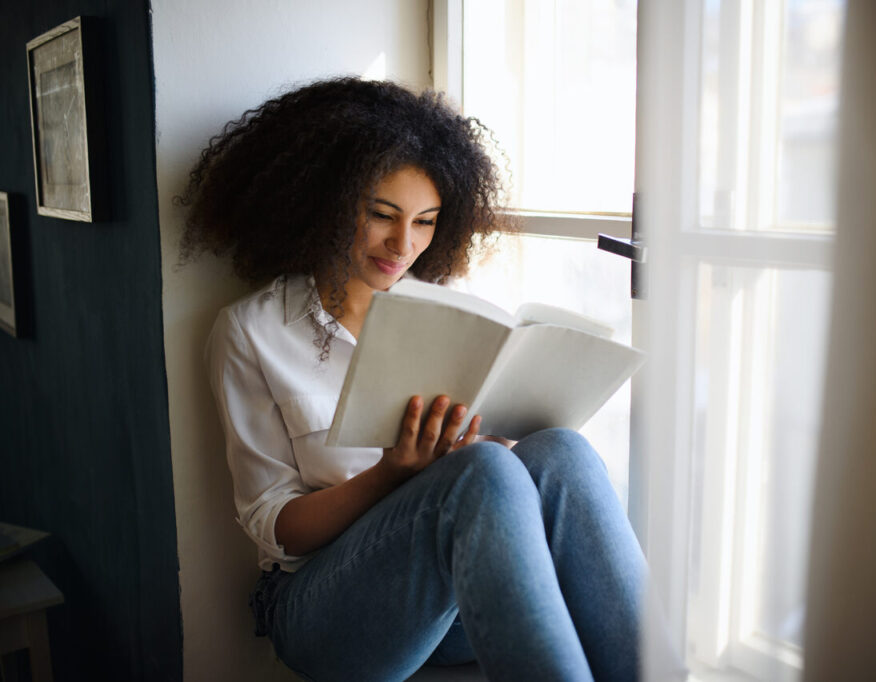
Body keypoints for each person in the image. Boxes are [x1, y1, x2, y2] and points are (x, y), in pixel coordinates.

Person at [179, 77, 645, 681]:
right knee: (478, 474)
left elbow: (495, 479)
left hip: (455, 602)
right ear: (326, 199)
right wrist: (393, 473)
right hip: (323, 604)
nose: (404, 245)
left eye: (426, 222)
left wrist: (491, 438)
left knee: (561, 451)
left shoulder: (445, 317)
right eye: (382, 215)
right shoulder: (251, 332)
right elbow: (276, 526)